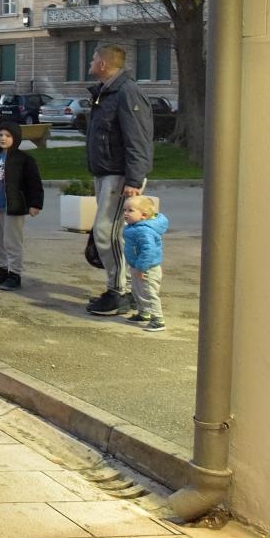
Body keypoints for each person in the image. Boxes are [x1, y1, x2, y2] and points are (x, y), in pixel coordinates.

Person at [83, 43, 155, 317]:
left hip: (120, 176)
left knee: (107, 232)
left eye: (92, 58)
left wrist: (134, 179)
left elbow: (138, 139)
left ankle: (120, 293)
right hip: (107, 172)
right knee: (109, 234)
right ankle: (122, 289)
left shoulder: (126, 92)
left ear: (103, 64)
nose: (90, 62)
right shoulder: (108, 92)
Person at [0, 122, 43, 292]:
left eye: (7, 136)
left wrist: (35, 204)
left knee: (12, 242)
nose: (3, 138)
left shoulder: (24, 160)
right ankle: (2, 269)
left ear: (15, 138)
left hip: (13, 207)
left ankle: (14, 274)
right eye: (0, 135)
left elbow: (34, 183)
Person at [122, 194, 169, 332]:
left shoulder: (143, 231)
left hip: (147, 269)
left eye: (130, 211)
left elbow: (148, 251)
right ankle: (144, 313)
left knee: (149, 293)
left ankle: (158, 320)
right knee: (137, 290)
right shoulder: (134, 227)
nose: (126, 213)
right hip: (137, 266)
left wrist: (141, 268)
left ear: (143, 215)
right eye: (125, 210)